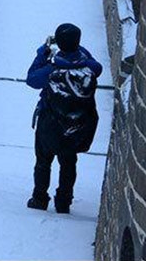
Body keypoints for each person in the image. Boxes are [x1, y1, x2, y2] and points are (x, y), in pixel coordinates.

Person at [25, 22, 102, 214]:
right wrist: (75, 48)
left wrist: (44, 51)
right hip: (75, 126)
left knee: (43, 161)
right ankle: (64, 201)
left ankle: (39, 198)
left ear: (59, 43)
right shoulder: (89, 70)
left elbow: (32, 78)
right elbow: (94, 63)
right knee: (68, 163)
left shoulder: (51, 72)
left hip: (49, 125)